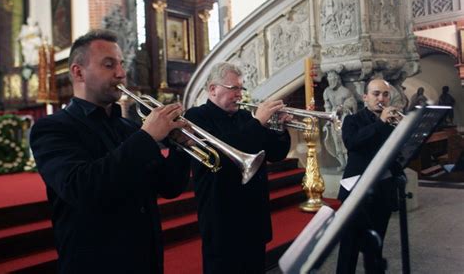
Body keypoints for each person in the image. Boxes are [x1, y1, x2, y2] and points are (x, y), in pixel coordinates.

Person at [30, 29, 191, 274]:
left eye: (121, 64)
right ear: (78, 71)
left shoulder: (128, 128)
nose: (121, 73)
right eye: (109, 65)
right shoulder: (51, 128)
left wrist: (180, 147)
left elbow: (169, 187)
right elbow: (81, 187)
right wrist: (146, 138)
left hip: (146, 260)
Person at [184, 62, 291, 273]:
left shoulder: (246, 117)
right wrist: (258, 123)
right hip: (222, 218)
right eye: (234, 88)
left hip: (253, 216)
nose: (240, 94)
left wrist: (280, 130)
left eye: (241, 88)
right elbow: (220, 155)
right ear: (213, 89)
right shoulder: (196, 117)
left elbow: (276, 154)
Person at [336, 78, 401, 274]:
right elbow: (353, 143)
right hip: (356, 191)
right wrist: (381, 123)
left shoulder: (393, 123)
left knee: (375, 245)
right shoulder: (352, 120)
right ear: (365, 97)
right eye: (376, 94)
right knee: (350, 246)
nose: (381, 98)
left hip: (383, 190)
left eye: (385, 94)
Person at [322, 71, 357, 170]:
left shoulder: (345, 91)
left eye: (332, 78)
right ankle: (342, 163)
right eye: (329, 78)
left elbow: (352, 104)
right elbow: (327, 106)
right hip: (334, 119)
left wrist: (343, 108)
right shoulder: (327, 91)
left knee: (344, 140)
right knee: (336, 140)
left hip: (344, 118)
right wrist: (328, 120)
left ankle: (349, 162)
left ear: (337, 79)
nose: (330, 80)